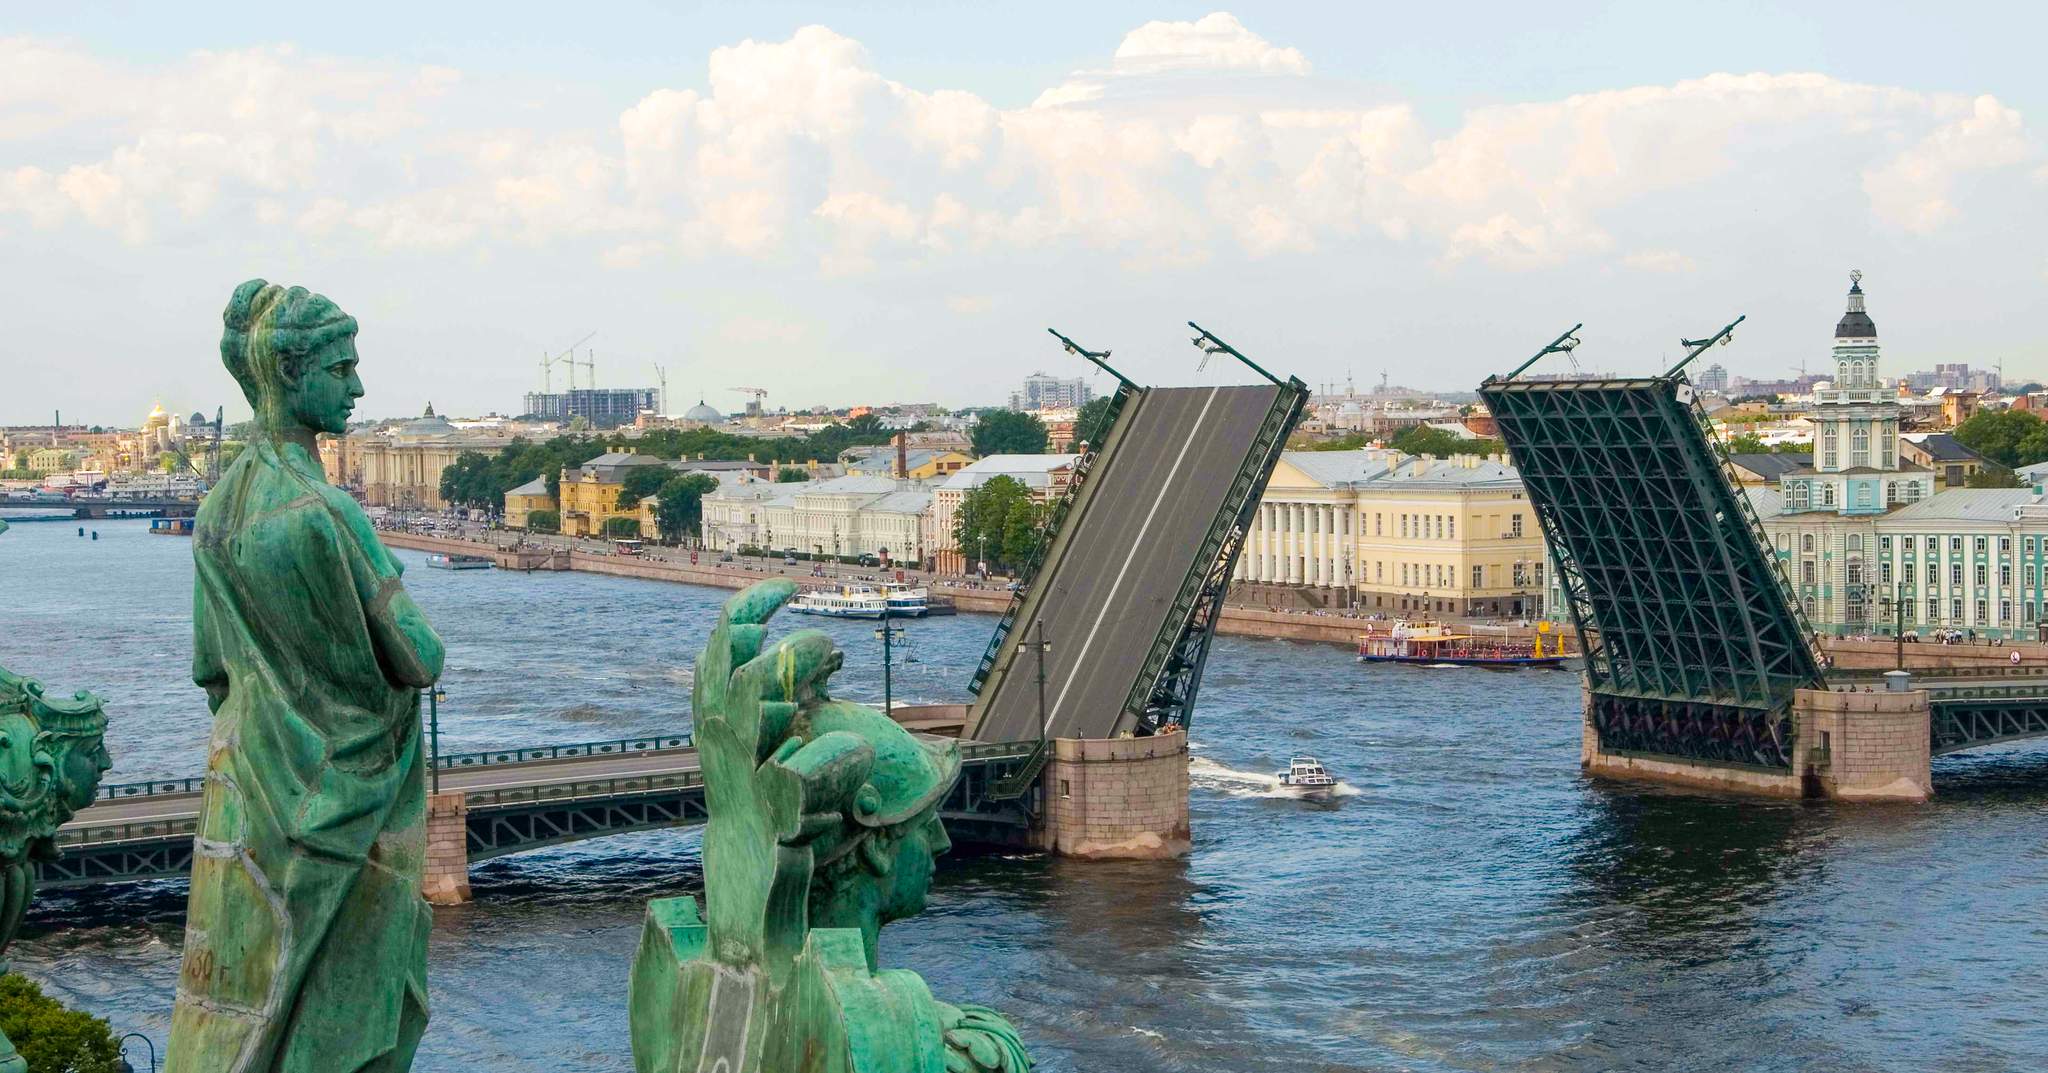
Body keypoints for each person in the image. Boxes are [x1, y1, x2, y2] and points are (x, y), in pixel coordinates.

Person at [168, 281, 443, 1073]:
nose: (357, 387)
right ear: (291, 373)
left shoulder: (217, 508)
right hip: (348, 814)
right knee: (342, 1020)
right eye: (343, 367)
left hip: (252, 791)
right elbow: (420, 657)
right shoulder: (327, 511)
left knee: (252, 1004)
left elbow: (209, 668)